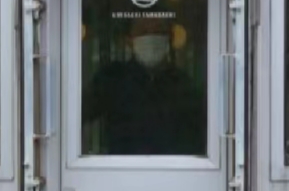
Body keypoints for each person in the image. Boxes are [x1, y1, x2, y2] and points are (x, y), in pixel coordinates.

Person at [83, 18, 204, 155]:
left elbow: (199, 136)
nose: (151, 37)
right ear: (129, 40)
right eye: (143, 31)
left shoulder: (183, 84)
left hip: (172, 170)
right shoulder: (112, 78)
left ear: (169, 39)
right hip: (120, 171)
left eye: (159, 31)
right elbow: (76, 115)